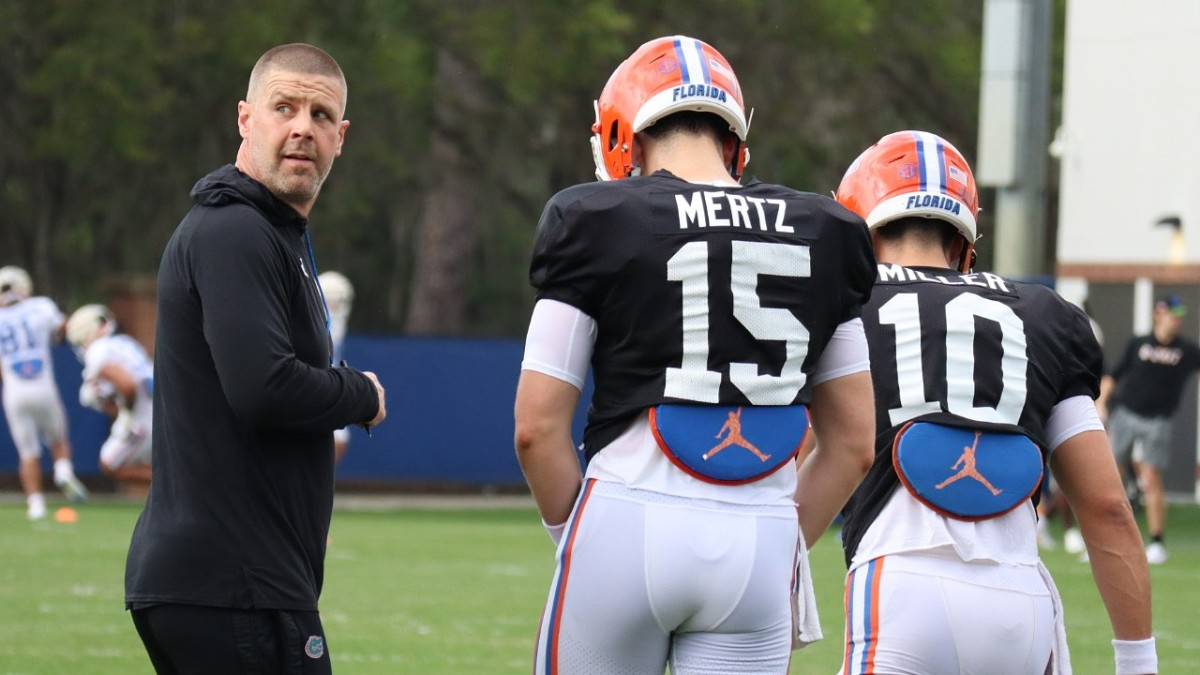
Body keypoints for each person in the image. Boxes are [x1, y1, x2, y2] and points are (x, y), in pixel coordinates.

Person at [514, 35, 877, 674]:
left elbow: (536, 427)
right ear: (735, 139)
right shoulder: (829, 232)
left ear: (625, 132)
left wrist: (574, 535)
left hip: (626, 512)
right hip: (761, 536)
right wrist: (780, 537)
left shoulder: (593, 217)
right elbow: (853, 443)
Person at [834, 130, 1156, 674]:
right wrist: (1138, 662)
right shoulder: (1047, 315)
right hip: (1020, 601)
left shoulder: (847, 304)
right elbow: (1107, 508)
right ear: (964, 240)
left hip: (899, 583)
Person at [124, 43, 386, 674]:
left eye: (321, 115)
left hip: (237, 582)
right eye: (284, 107)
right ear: (246, 120)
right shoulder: (235, 229)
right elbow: (261, 386)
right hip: (233, 585)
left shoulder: (272, 232)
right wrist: (361, 393)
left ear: (340, 137)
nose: (303, 127)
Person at [1097, 293, 1200, 565]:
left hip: (1158, 421)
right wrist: (1102, 403)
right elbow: (1113, 375)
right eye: (1171, 315)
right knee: (1110, 475)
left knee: (1151, 477)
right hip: (1126, 415)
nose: (1175, 322)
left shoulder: (1187, 351)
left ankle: (1156, 542)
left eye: (1179, 317)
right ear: (1159, 313)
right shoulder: (1139, 343)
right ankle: (1107, 539)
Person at [0, 264, 87, 519]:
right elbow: (66, 328)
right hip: (43, 387)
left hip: (14, 391)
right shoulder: (40, 306)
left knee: (28, 452)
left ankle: (35, 505)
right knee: (58, 439)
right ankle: (63, 471)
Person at [64, 304, 154, 489]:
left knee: (109, 464)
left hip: (143, 416)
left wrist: (128, 411)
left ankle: (179, 486)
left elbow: (128, 386)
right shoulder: (125, 342)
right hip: (161, 407)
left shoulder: (98, 351)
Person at [317, 270, 354, 463]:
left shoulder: (337, 322)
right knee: (338, 436)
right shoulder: (323, 320)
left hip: (329, 382)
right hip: (320, 384)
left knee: (340, 437)